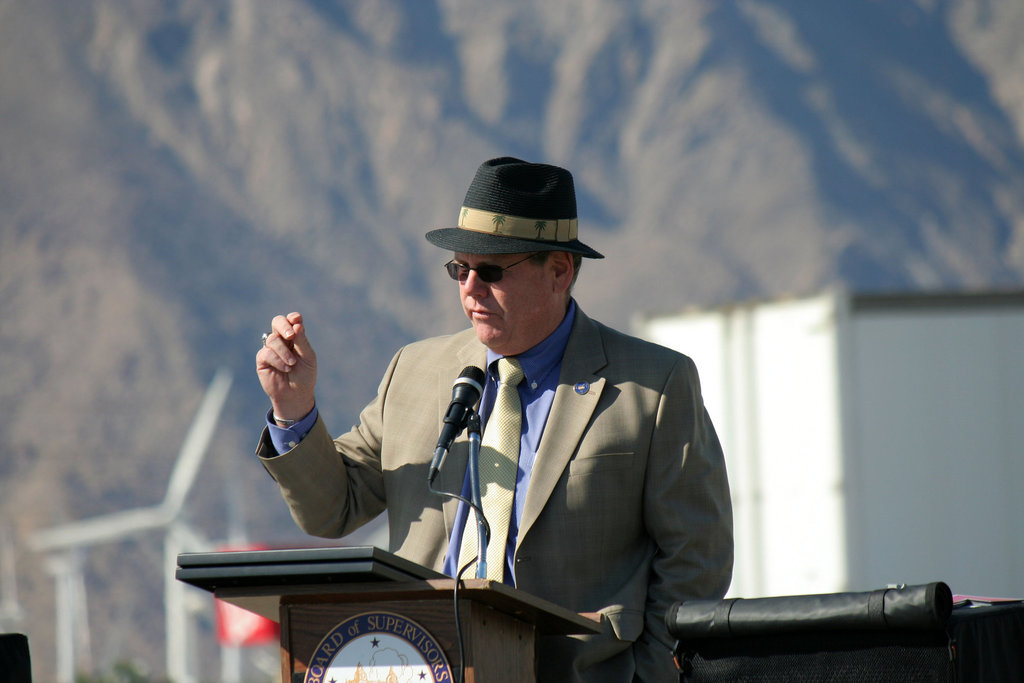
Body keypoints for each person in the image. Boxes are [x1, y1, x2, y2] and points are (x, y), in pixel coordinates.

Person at [256, 157, 733, 681]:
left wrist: (646, 675)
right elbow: (333, 509)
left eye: (490, 271)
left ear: (559, 272)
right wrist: (294, 408)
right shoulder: (414, 371)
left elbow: (697, 557)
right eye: (459, 269)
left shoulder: (652, 385)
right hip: (420, 661)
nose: (470, 288)